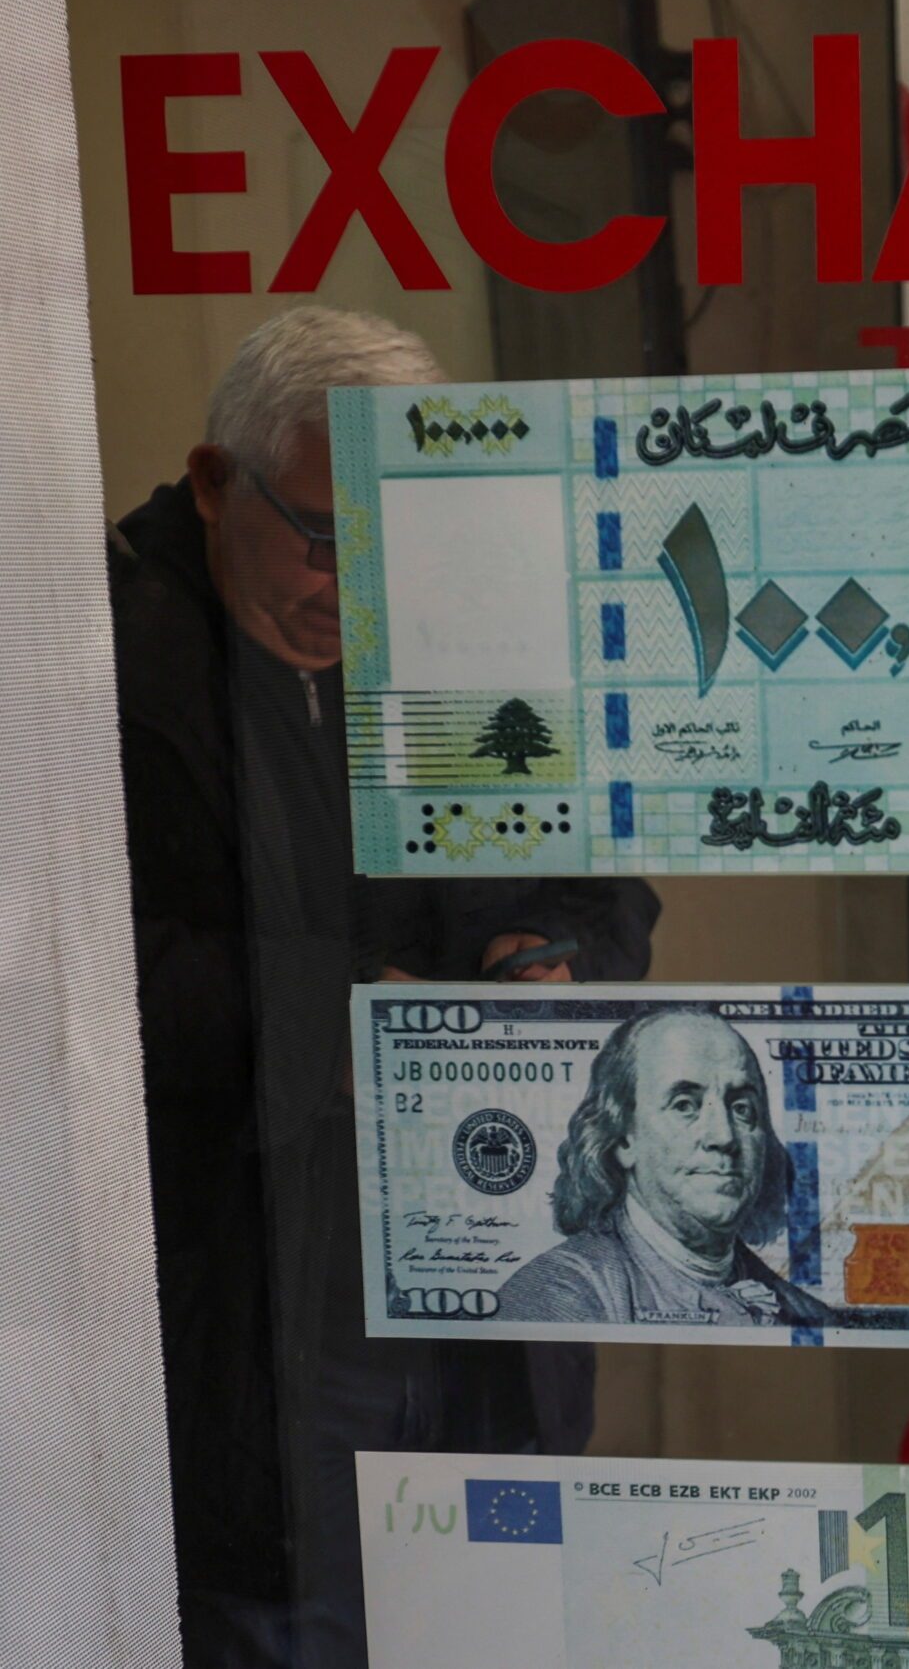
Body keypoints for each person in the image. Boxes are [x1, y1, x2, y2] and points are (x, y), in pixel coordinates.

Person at [110, 308, 659, 1667]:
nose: (352, 583)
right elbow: (74, 978)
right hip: (249, 1361)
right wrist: (339, 1022)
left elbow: (604, 885)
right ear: (211, 479)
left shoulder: (473, 624)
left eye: (395, 539)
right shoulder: (93, 660)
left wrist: (559, 953)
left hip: (490, 1342)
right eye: (315, 533)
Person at [500, 1010, 833, 1326]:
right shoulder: (557, 1295)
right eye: (684, 1105)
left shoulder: (808, 1315)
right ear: (623, 1139)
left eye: (742, 1108)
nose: (724, 1136)